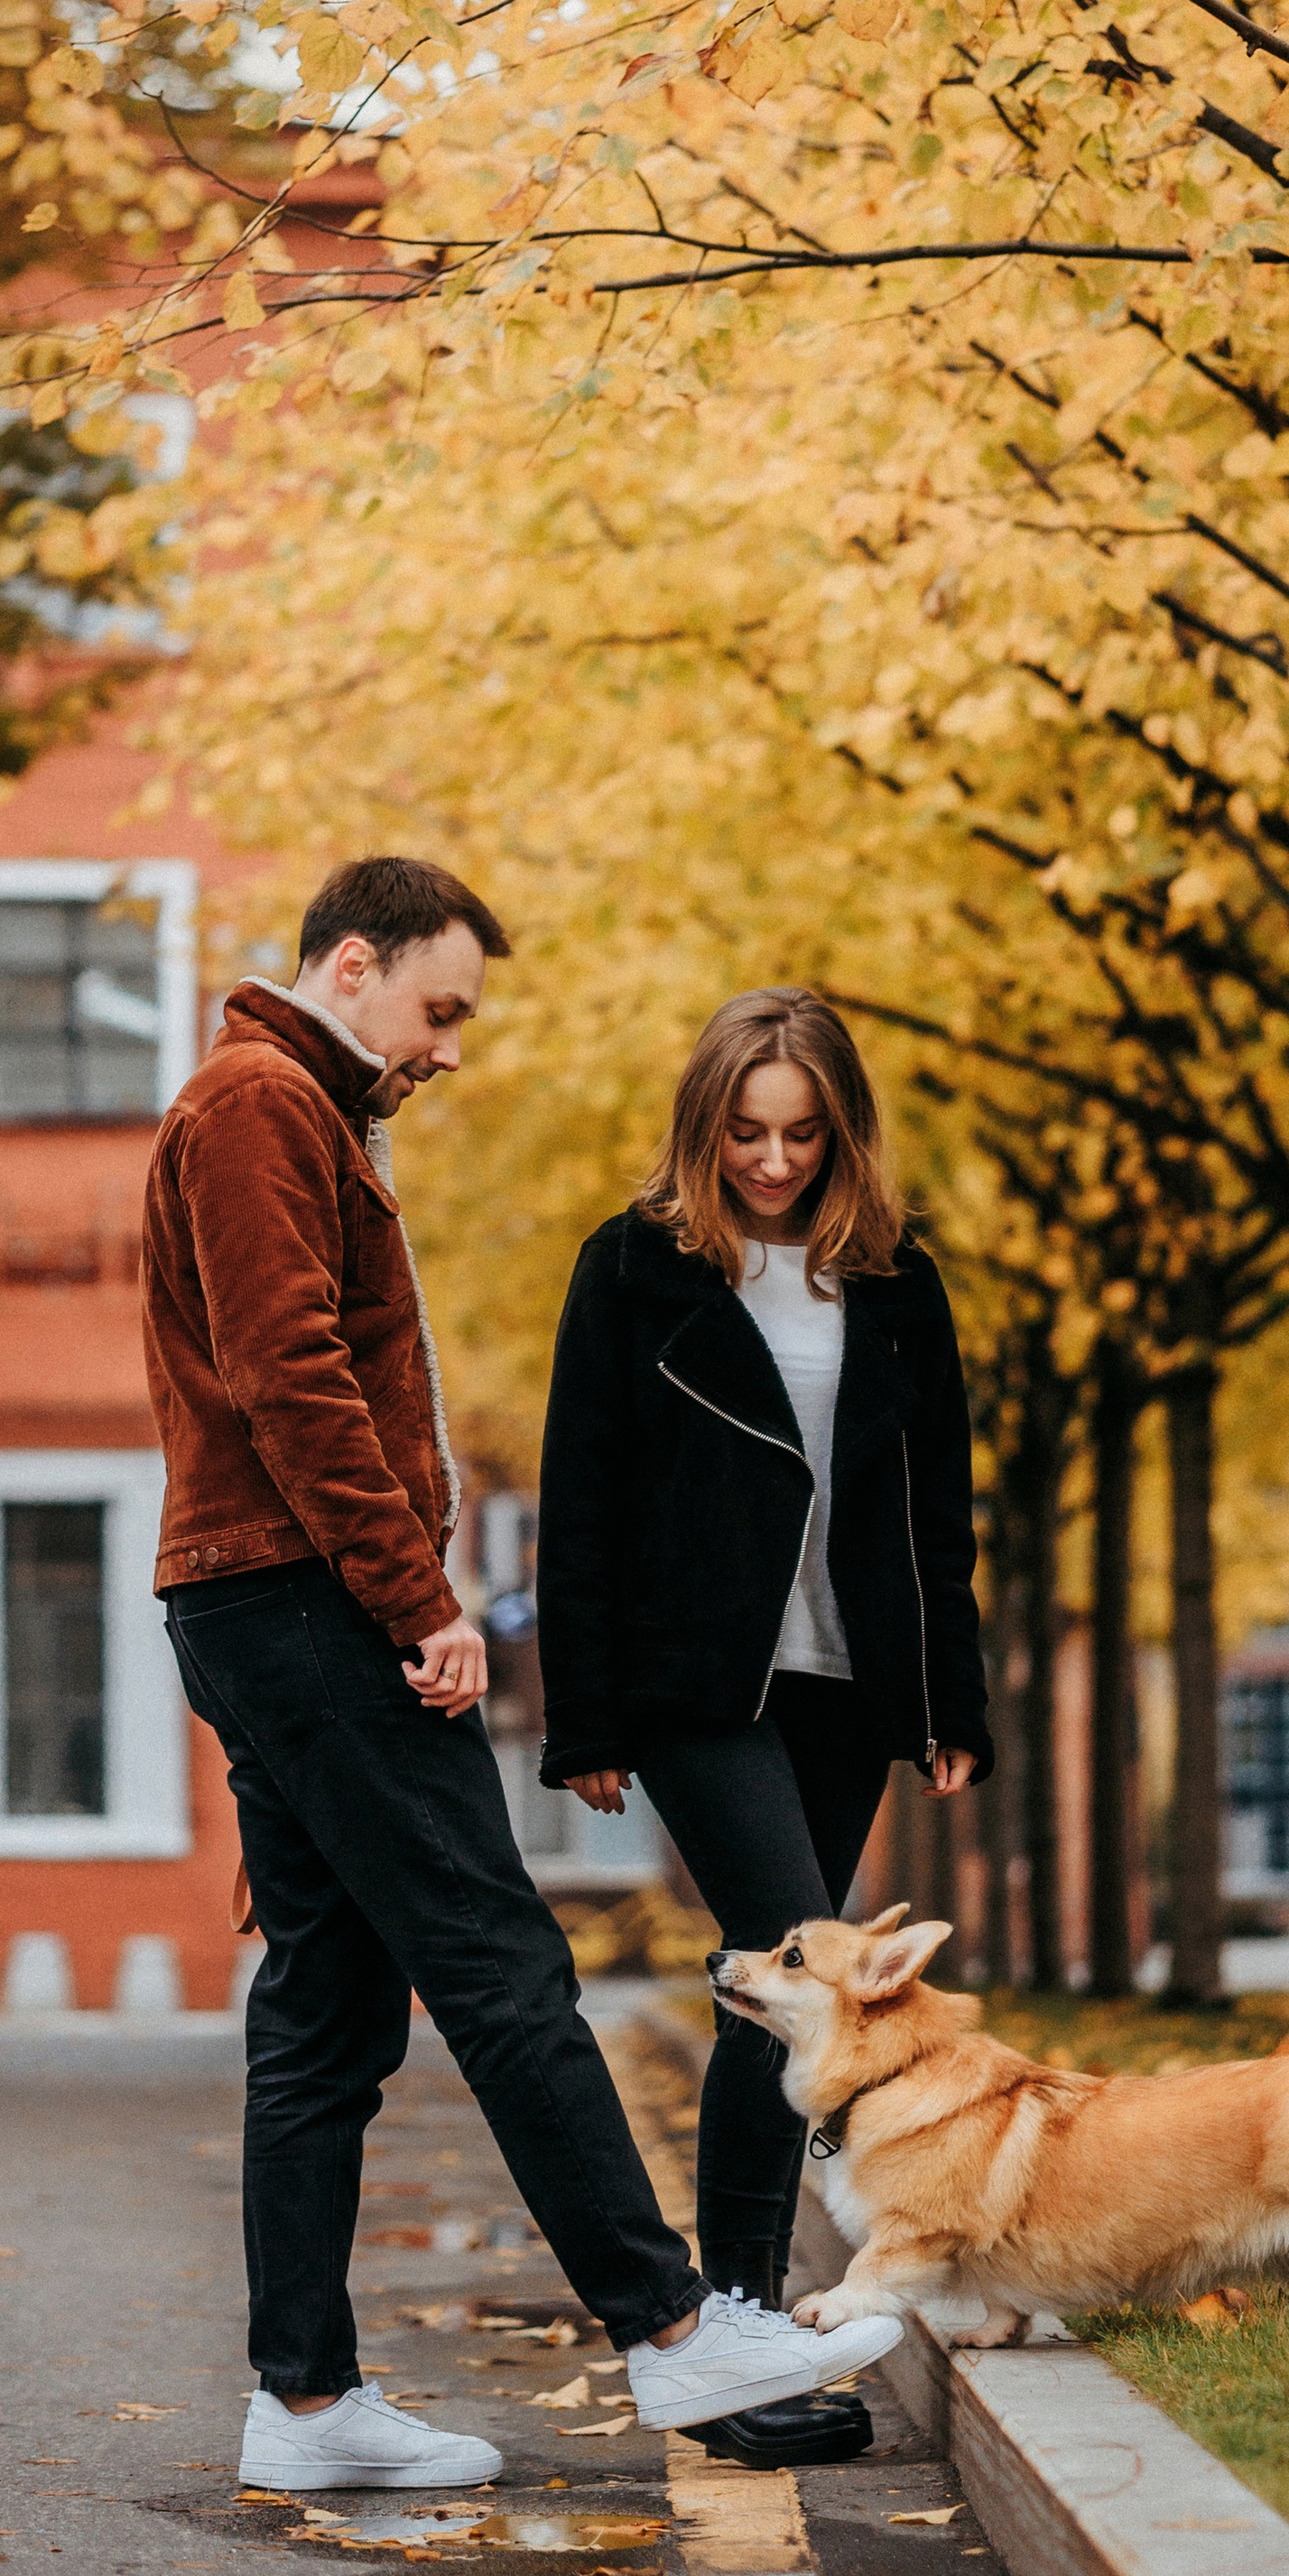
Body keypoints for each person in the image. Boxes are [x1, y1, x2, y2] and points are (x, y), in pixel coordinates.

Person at [141, 863, 902, 2491]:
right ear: (354, 962)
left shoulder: (295, 1107)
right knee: (501, 1965)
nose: (451, 1045)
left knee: (329, 2008)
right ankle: (676, 2331)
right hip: (305, 1599)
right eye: (441, 1007)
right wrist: (418, 1597)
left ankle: (304, 2402)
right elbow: (289, 1376)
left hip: (260, 1595)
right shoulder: (260, 1104)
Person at [535, 987, 991, 2466]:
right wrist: (584, 1712)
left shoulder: (900, 1279)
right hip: (696, 1680)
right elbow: (582, 1493)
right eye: (746, 1133)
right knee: (792, 1955)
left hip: (851, 1680)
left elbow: (939, 1509)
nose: (775, 1161)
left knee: (778, 1984)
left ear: (843, 1131)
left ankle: (739, 2327)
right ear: (704, 1125)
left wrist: (950, 1697)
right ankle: (735, 2324)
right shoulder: (632, 1267)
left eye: (802, 1134)